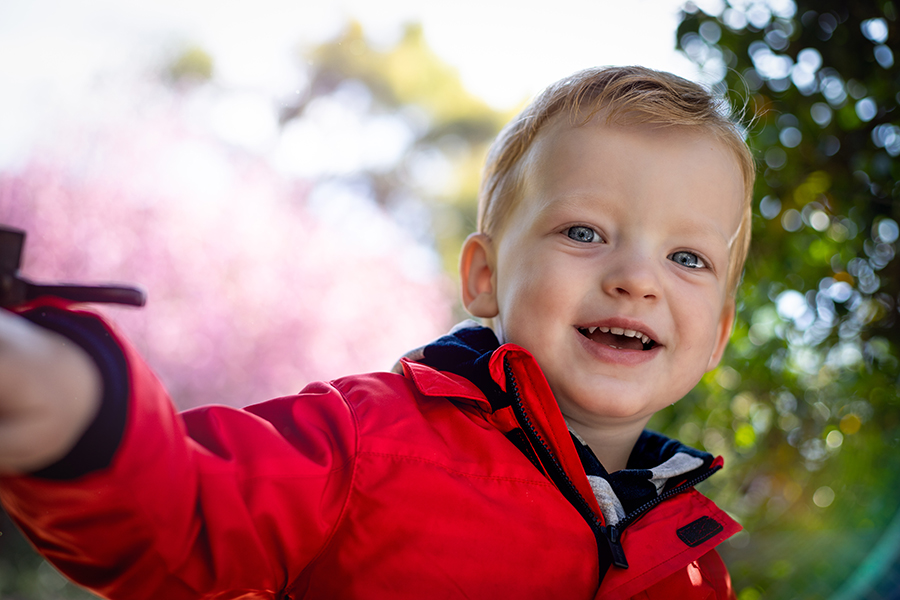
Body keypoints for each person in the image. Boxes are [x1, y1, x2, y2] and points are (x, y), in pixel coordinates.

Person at [0, 66, 755, 599]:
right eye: (585, 232)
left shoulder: (694, 564)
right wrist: (72, 403)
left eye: (686, 256)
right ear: (484, 277)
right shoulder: (370, 439)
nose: (637, 277)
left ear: (718, 330)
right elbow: (182, 508)